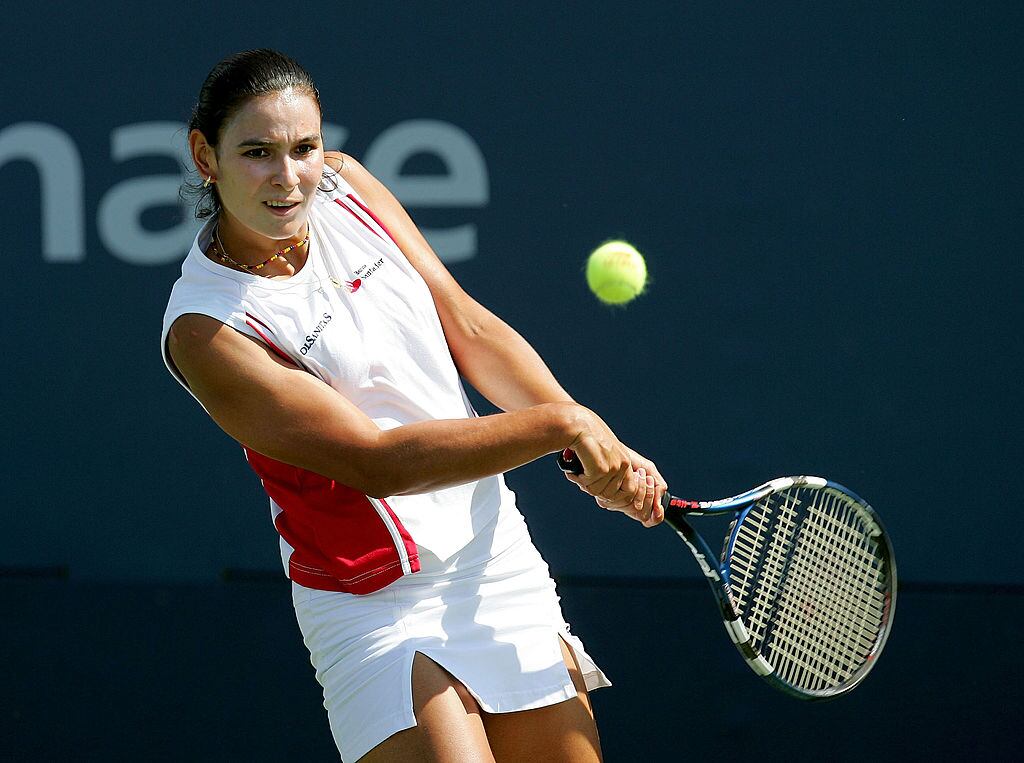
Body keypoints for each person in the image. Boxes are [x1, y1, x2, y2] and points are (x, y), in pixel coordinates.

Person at [161, 49, 666, 762]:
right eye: (257, 152)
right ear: (204, 155)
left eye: (305, 147)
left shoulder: (347, 189)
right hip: (373, 599)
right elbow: (377, 464)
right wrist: (562, 423)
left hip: (492, 556)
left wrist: (594, 439)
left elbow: (469, 326)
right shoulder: (208, 329)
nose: (288, 177)